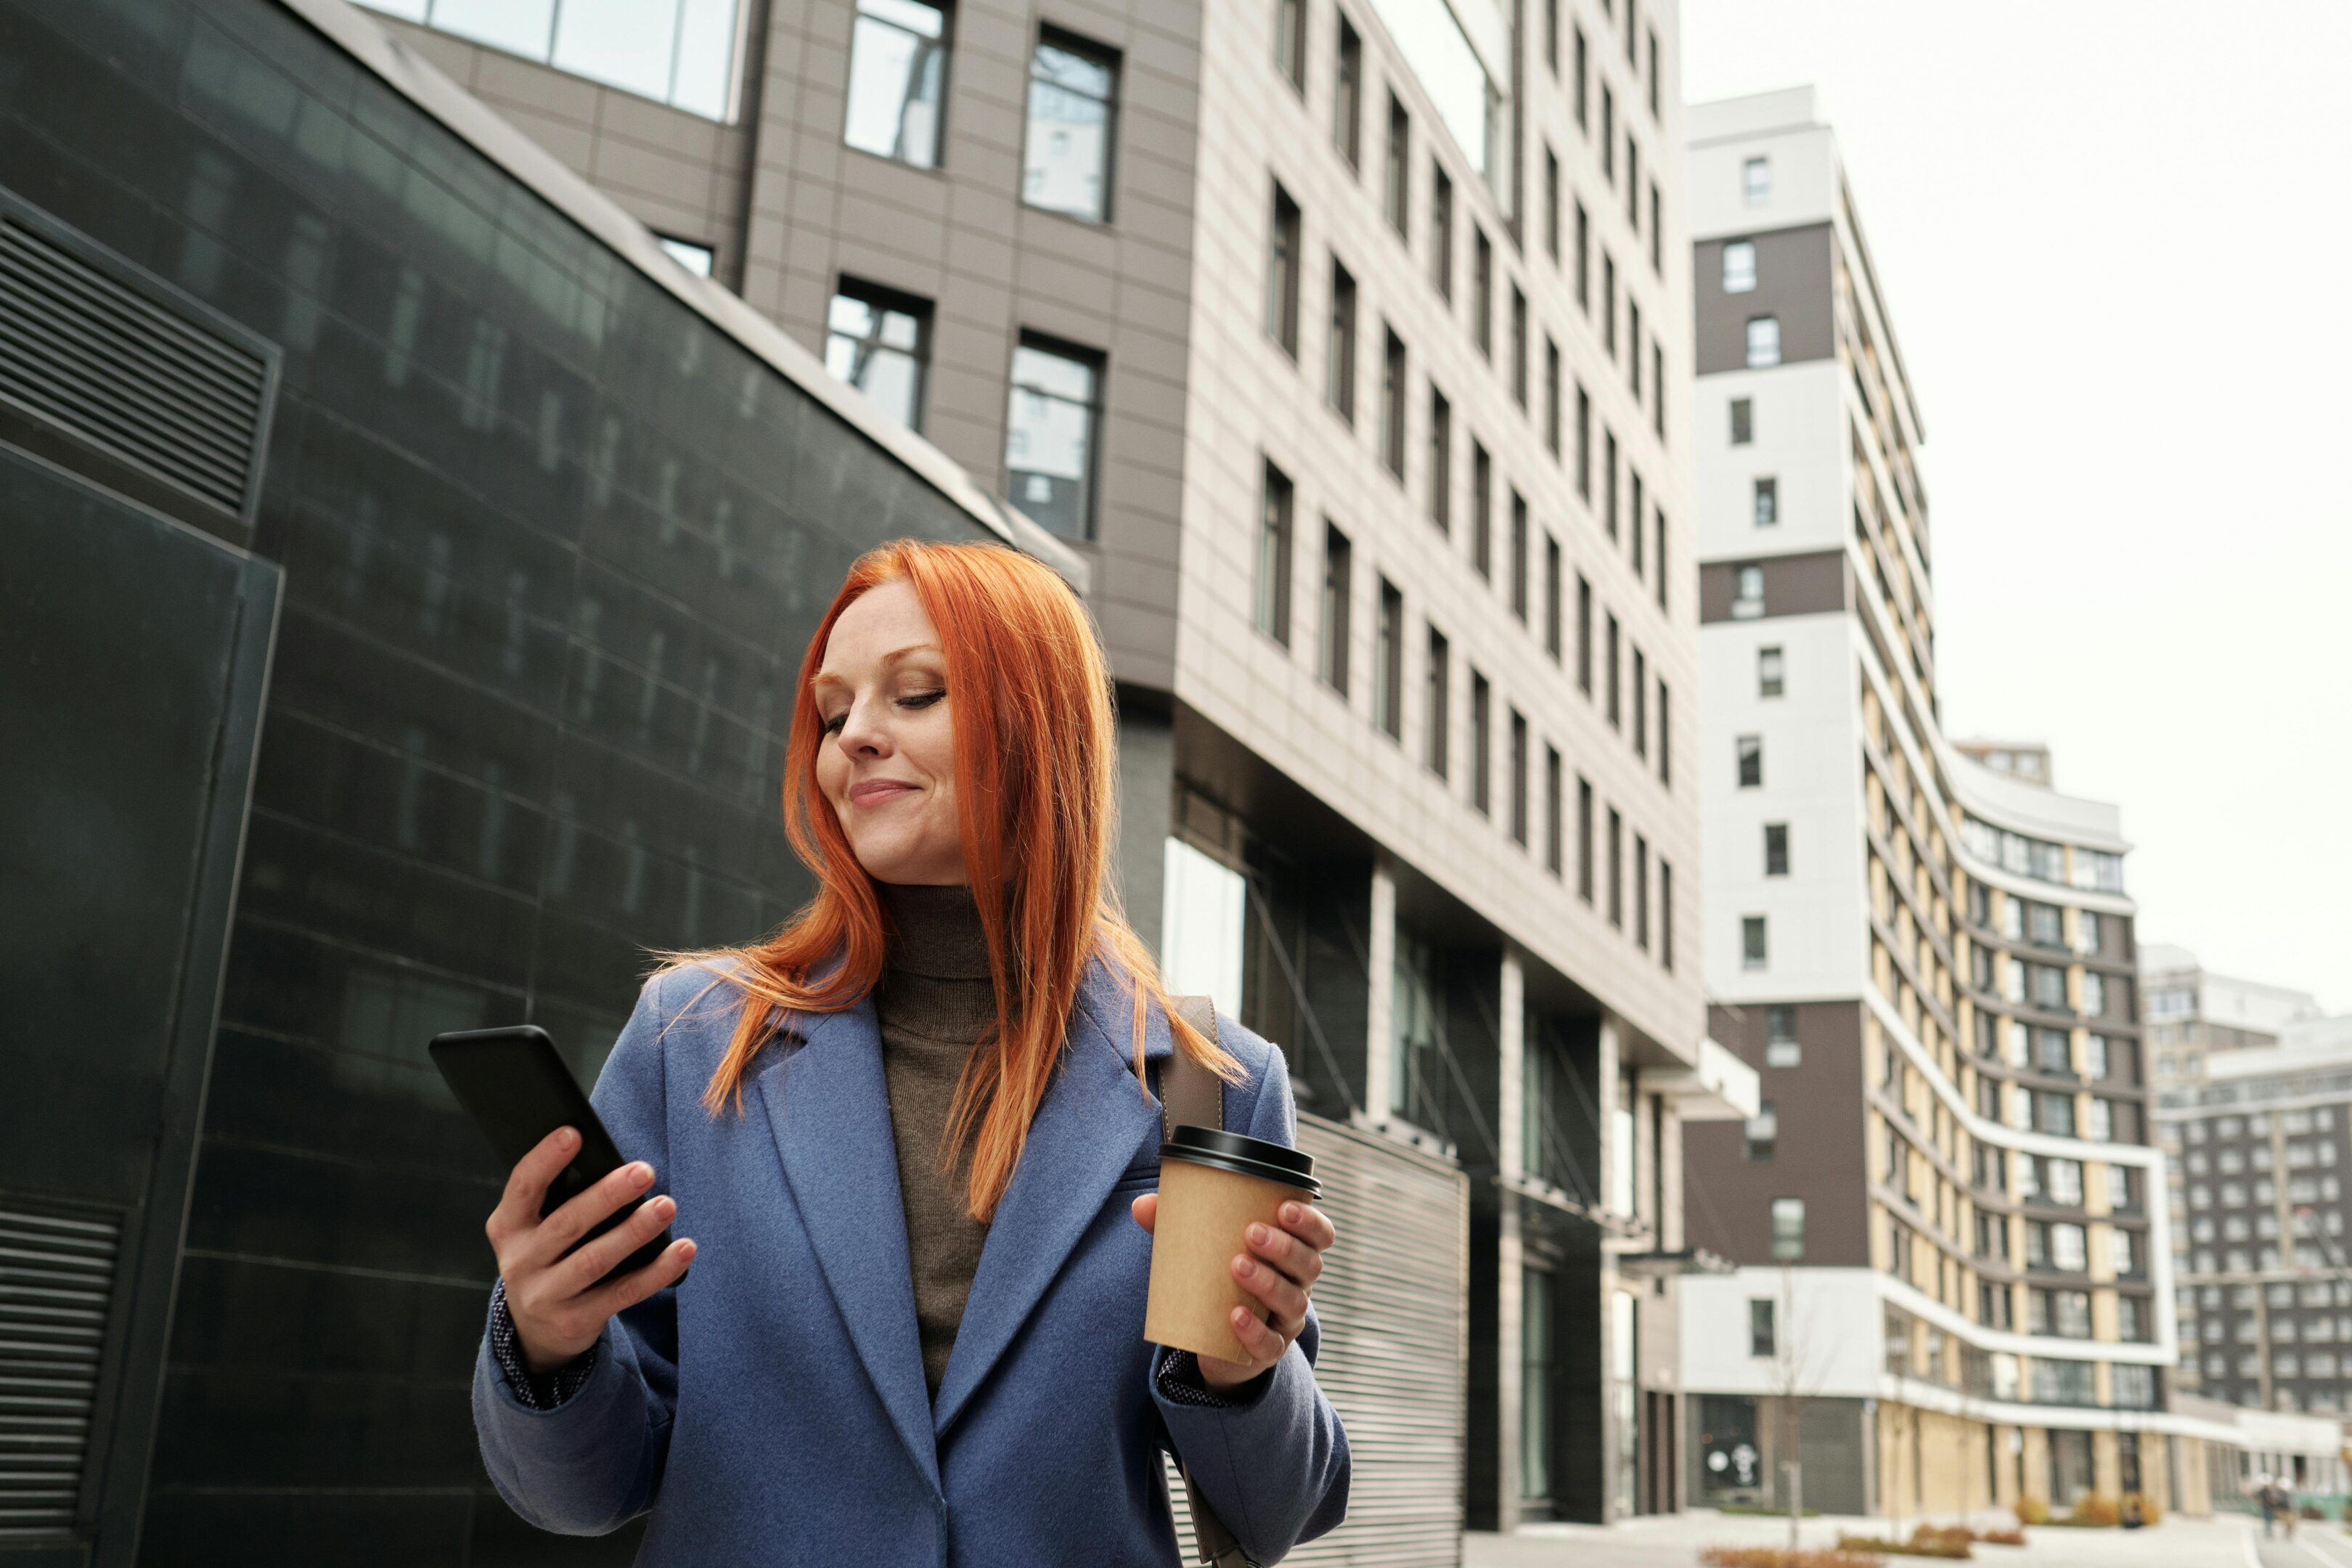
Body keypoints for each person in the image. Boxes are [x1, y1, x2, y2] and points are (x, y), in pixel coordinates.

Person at [470, 541, 1350, 1564]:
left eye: (916, 694)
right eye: (833, 713)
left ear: (1039, 723)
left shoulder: (1207, 1082)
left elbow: (1275, 1513)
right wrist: (546, 1342)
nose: (852, 740)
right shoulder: (693, 1042)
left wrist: (1243, 1371)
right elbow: (582, 1495)